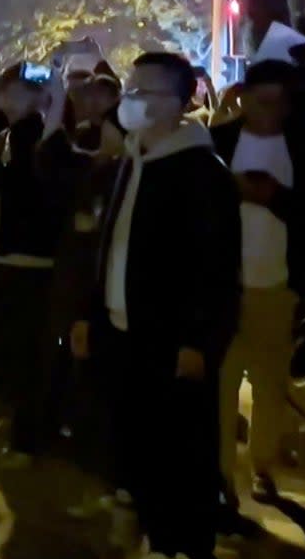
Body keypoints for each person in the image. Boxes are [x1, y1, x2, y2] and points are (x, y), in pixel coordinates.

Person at [72, 52, 240, 559]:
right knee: (133, 441)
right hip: (121, 331)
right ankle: (140, 524)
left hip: (172, 341)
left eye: (146, 93)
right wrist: (88, 312)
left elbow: (215, 269)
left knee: (179, 454)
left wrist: (199, 341)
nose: (132, 101)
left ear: (180, 102)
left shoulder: (200, 171)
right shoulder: (131, 161)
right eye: (132, 89)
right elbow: (102, 243)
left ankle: (178, 544)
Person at [210, 60, 305, 506]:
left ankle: (263, 462)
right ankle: (222, 473)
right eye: (257, 101)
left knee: (270, 385)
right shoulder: (221, 143)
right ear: (242, 99)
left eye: (275, 104)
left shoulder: (299, 148)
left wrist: (274, 197)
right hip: (225, 286)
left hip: (279, 286)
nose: (266, 112)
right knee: (222, 384)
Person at [0, 69, 67, 466]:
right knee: (22, 351)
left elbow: (25, 190)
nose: (4, 100)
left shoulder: (31, 134)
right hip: (18, 255)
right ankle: (28, 432)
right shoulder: (20, 131)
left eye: (13, 93)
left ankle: (31, 438)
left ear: (33, 99)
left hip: (29, 259)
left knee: (27, 353)